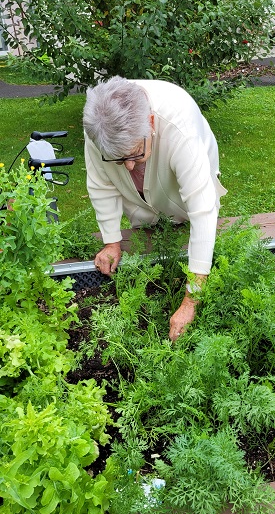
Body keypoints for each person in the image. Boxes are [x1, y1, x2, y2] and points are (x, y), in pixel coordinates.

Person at [83, 76, 226, 341]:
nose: (128, 167)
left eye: (135, 153)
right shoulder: (98, 127)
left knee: (184, 213)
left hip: (190, 169)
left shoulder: (178, 122)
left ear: (150, 124)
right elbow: (102, 185)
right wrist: (112, 242)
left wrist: (191, 300)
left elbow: (202, 209)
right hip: (142, 196)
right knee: (148, 227)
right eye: (118, 159)